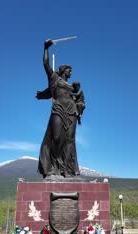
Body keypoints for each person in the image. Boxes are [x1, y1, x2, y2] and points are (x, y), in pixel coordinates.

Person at [36, 39, 85, 178]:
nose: (71, 72)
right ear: (63, 70)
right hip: (58, 110)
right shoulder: (55, 79)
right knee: (56, 138)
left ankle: (66, 170)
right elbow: (45, 64)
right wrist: (46, 48)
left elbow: (81, 100)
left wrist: (80, 105)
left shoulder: (73, 88)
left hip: (72, 113)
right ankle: (52, 167)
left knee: (69, 141)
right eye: (69, 70)